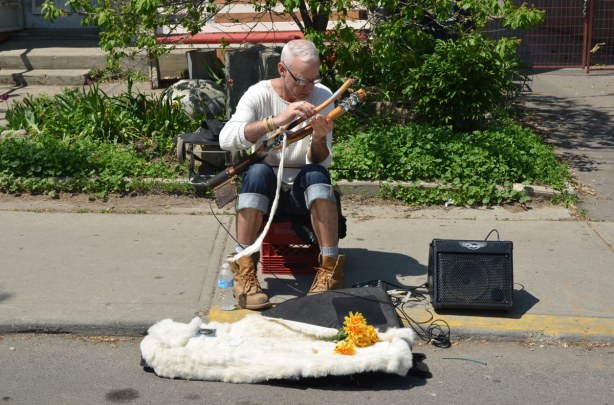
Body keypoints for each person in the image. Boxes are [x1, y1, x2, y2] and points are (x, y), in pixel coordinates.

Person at [219, 39, 344, 310]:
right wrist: (275, 121)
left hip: (301, 189)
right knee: (256, 172)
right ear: (282, 69)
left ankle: (329, 269)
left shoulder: (322, 96)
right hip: (265, 186)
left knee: (317, 175)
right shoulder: (259, 93)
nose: (309, 88)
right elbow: (227, 139)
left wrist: (320, 138)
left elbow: (321, 160)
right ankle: (245, 269)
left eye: (314, 79)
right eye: (302, 80)